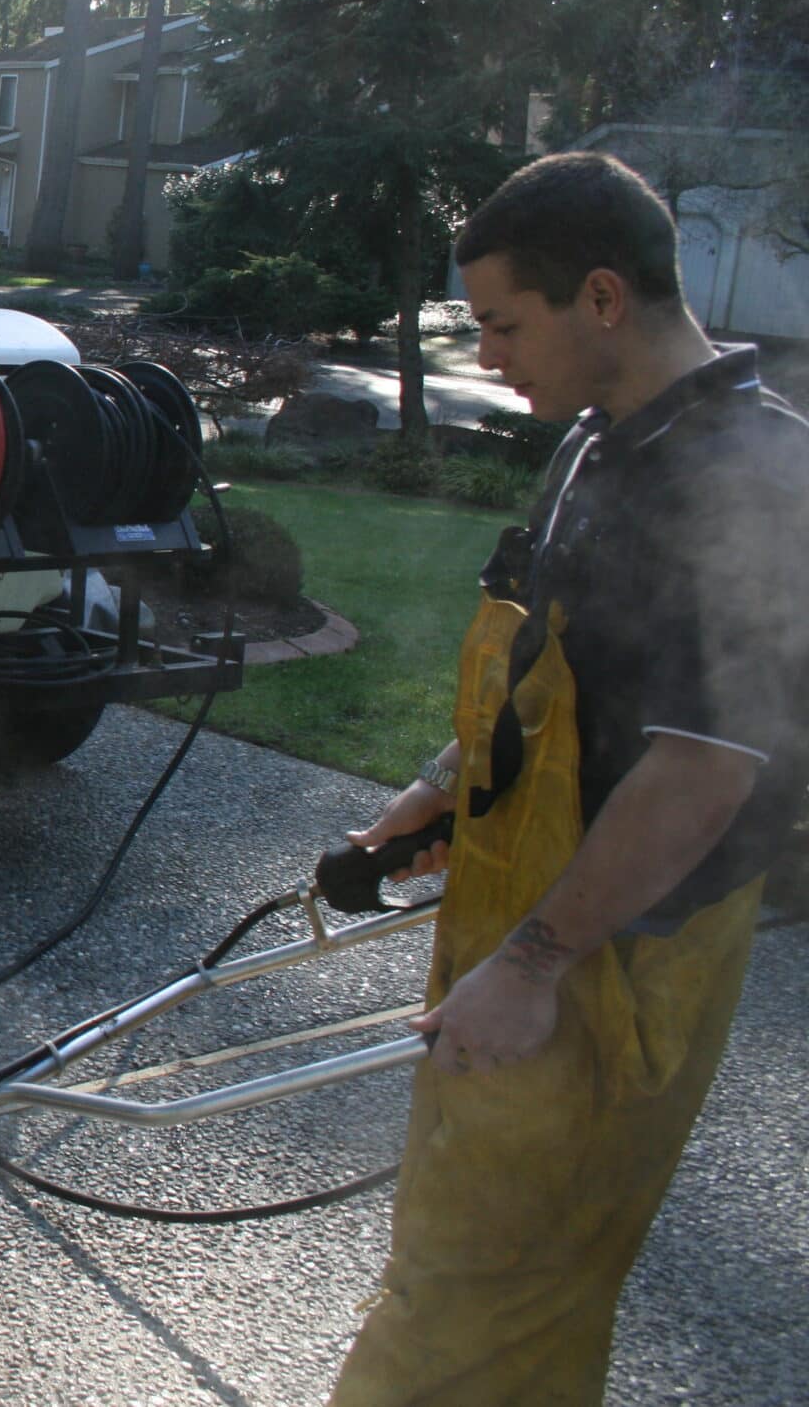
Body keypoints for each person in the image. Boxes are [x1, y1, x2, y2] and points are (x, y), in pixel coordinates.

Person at [330, 151, 809, 1405]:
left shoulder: (748, 481)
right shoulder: (597, 445)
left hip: (617, 960)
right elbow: (545, 671)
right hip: (519, 916)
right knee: (450, 1263)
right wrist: (442, 789)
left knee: (485, 1307)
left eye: (500, 324)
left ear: (601, 298)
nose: (484, 355)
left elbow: (704, 771)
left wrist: (536, 961)